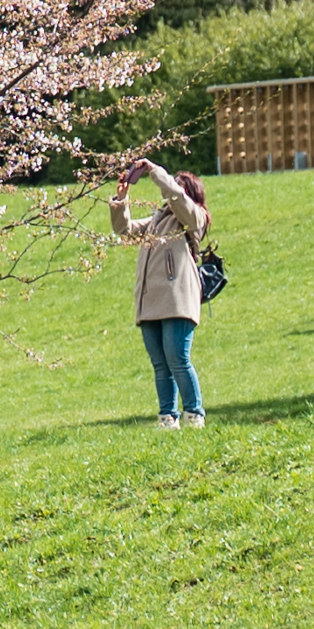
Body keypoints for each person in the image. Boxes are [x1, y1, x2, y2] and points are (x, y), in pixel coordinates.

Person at [110, 156, 213, 428]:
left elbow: (178, 198)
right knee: (160, 365)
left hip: (177, 299)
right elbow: (125, 230)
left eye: (177, 187)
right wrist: (121, 200)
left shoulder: (193, 218)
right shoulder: (157, 221)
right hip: (150, 301)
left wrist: (155, 172)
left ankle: (194, 413)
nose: (169, 192)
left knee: (178, 358)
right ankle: (168, 417)